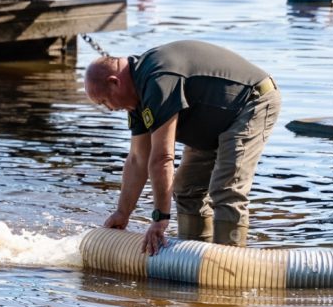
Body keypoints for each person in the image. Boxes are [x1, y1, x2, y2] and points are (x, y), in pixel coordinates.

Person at [83, 40, 281, 256]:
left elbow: (162, 158)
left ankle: (229, 264)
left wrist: (160, 218)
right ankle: (191, 260)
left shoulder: (158, 80)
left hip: (250, 102)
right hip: (210, 118)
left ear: (115, 82)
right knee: (187, 189)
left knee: (226, 188)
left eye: (105, 102)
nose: (111, 109)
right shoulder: (137, 98)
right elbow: (138, 159)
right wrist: (122, 213)